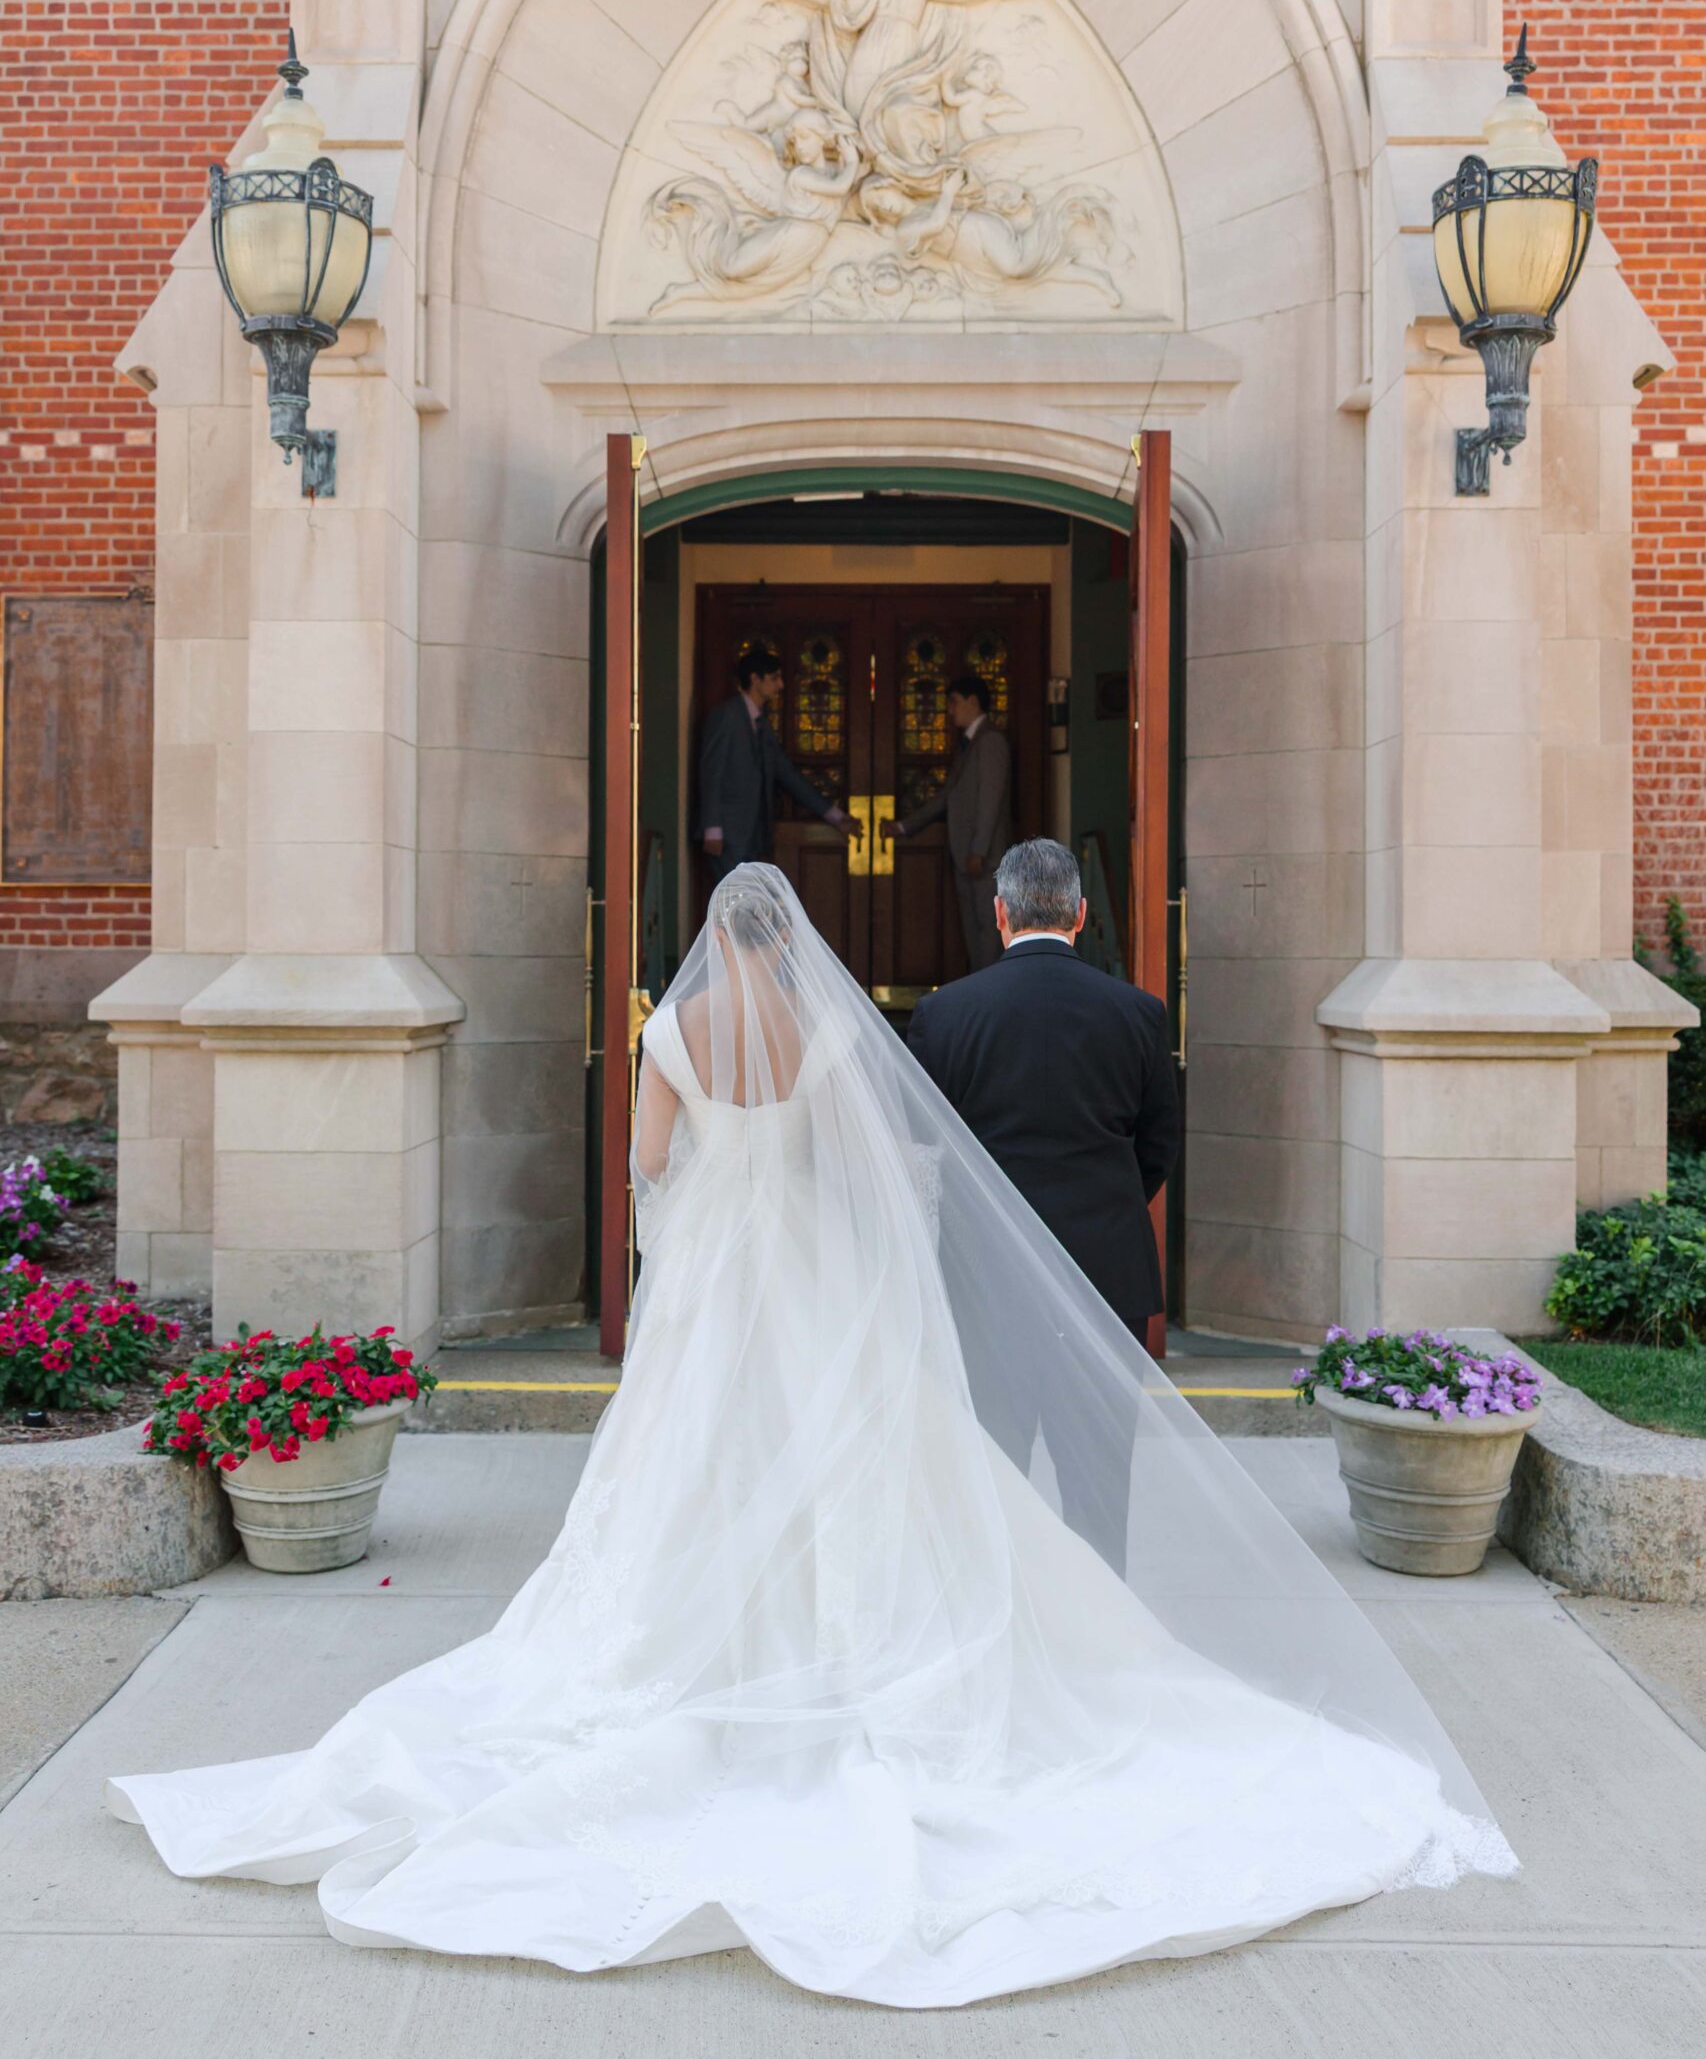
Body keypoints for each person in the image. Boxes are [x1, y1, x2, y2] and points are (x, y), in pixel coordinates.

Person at [108, 865, 1516, 2007]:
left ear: (715, 939)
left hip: (715, 1285)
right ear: (795, 944)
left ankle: (704, 1648)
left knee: (693, 1462)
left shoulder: (670, 1028)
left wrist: (683, 1196)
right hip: (812, 1282)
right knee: (854, 1455)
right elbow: (874, 1167)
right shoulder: (836, 1028)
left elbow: (652, 1163)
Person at [907, 837, 1180, 1563]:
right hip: (1105, 1275)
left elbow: (920, 1145)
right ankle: (1100, 1641)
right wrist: (1106, 1208)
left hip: (985, 1278)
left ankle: (1006, 1634)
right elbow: (1158, 1148)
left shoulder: (945, 1014)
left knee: (994, 1478)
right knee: (1099, 1484)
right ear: (1082, 914)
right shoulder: (1140, 1014)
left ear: (999, 913)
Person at [881, 674, 1012, 970]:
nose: (950, 711)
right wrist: (903, 827)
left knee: (990, 936)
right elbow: (946, 798)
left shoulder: (991, 741)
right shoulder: (968, 745)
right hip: (966, 858)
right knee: (974, 937)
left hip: (984, 860)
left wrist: (978, 850)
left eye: (954, 702)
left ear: (973, 701)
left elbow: (990, 801)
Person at [697, 642, 858, 877]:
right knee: (734, 903)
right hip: (728, 834)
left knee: (750, 904)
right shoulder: (726, 716)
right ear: (755, 679)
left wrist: (834, 815)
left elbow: (788, 776)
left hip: (754, 835)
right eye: (774, 678)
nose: (780, 685)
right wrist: (712, 827)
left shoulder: (762, 726)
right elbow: (711, 772)